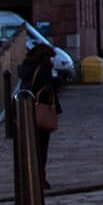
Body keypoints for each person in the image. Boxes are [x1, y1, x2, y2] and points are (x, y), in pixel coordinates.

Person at [18, 39, 62, 181]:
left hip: (25, 110)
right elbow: (47, 86)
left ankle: (28, 174)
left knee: (30, 145)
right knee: (41, 146)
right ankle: (39, 177)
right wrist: (58, 81)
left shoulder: (26, 68)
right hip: (40, 110)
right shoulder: (43, 69)